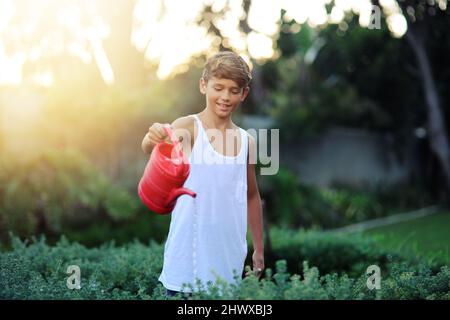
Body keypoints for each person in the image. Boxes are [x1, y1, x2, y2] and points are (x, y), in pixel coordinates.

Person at [141, 51, 264, 297]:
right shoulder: (188, 128)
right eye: (218, 88)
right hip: (186, 266)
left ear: (244, 94)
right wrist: (151, 137)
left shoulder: (247, 142)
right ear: (203, 85)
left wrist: (258, 250)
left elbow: (251, 196)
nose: (225, 97)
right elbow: (153, 148)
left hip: (228, 266)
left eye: (233, 90)